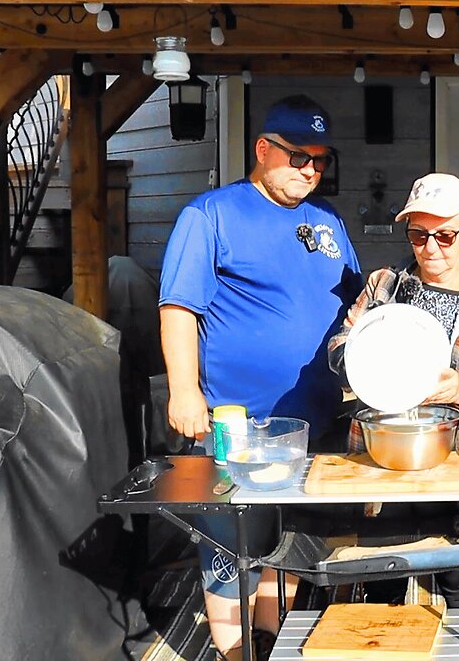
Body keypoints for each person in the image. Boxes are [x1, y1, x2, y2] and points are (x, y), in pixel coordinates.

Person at [159, 95, 362, 659]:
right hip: (235, 420)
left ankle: (270, 639)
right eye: (299, 157)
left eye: (320, 160)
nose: (310, 170)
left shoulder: (328, 222)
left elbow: (357, 304)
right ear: (262, 149)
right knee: (229, 540)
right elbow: (179, 308)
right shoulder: (212, 215)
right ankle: (231, 650)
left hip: (313, 417)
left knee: (287, 536)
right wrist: (183, 391)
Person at [328, 172, 459, 608]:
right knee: (383, 574)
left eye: (445, 235)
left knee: (458, 576)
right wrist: (367, 367)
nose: (431, 247)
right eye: (418, 235)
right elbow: (341, 345)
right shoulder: (385, 286)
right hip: (383, 457)